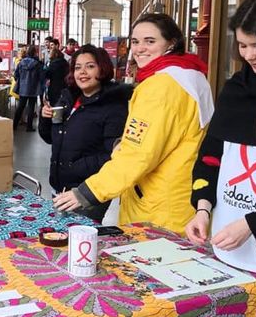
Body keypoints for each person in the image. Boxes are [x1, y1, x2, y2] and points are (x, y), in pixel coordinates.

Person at [53, 13, 214, 235]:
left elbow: (138, 155)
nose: (139, 49)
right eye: (135, 42)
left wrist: (86, 193)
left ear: (172, 43)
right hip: (181, 198)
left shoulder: (161, 87)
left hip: (158, 210)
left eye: (150, 41)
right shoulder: (190, 76)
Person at [185, 0, 256, 278]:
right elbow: (210, 157)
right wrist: (202, 209)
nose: (249, 55)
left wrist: (253, 224)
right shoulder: (234, 90)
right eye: (242, 45)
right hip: (227, 254)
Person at [39, 45, 132, 222]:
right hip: (59, 187)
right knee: (60, 238)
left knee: (79, 239)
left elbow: (113, 155)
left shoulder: (113, 106)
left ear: (102, 68)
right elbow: (49, 138)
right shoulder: (68, 98)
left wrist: (76, 166)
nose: (83, 72)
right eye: (77, 67)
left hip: (86, 191)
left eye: (90, 66)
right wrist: (45, 118)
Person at [13, 45, 44, 132]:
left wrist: (21, 81)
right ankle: (29, 127)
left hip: (23, 88)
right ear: (35, 53)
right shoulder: (37, 64)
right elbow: (41, 77)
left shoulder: (21, 62)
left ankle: (14, 125)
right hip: (33, 88)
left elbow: (16, 75)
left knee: (20, 107)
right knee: (31, 108)